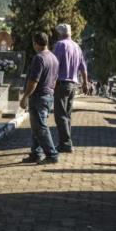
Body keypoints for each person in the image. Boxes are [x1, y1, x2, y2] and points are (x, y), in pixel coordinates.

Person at [19, 31, 60, 164]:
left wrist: (25, 96)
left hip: (38, 97)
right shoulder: (53, 58)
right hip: (48, 95)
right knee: (36, 126)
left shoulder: (39, 58)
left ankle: (52, 154)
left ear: (35, 43)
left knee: (40, 127)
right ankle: (36, 153)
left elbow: (33, 81)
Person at [51, 24, 88, 153]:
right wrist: (85, 83)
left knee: (60, 115)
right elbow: (83, 67)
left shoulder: (60, 45)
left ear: (60, 34)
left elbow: (54, 65)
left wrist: (51, 83)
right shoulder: (77, 47)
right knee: (67, 115)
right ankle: (65, 142)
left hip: (61, 83)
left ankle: (65, 143)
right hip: (73, 85)